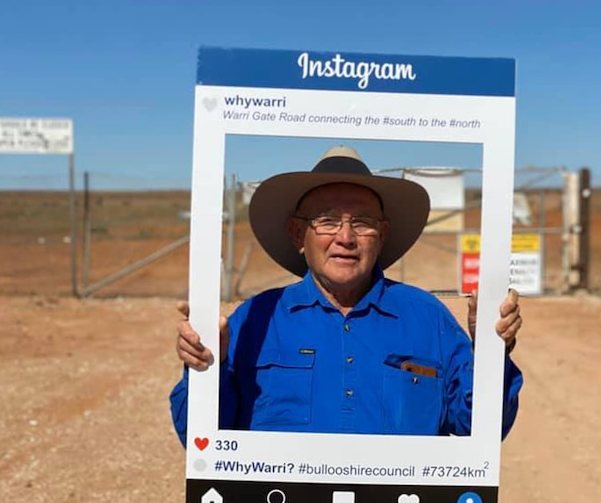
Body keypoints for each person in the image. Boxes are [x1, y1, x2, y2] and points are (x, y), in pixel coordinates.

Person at [170, 145, 523, 445]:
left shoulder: (429, 318)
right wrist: (204, 366)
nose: (346, 237)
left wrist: (491, 351)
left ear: (382, 234)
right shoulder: (255, 319)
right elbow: (201, 438)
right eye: (326, 220)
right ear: (298, 234)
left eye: (363, 222)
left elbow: (479, 427)